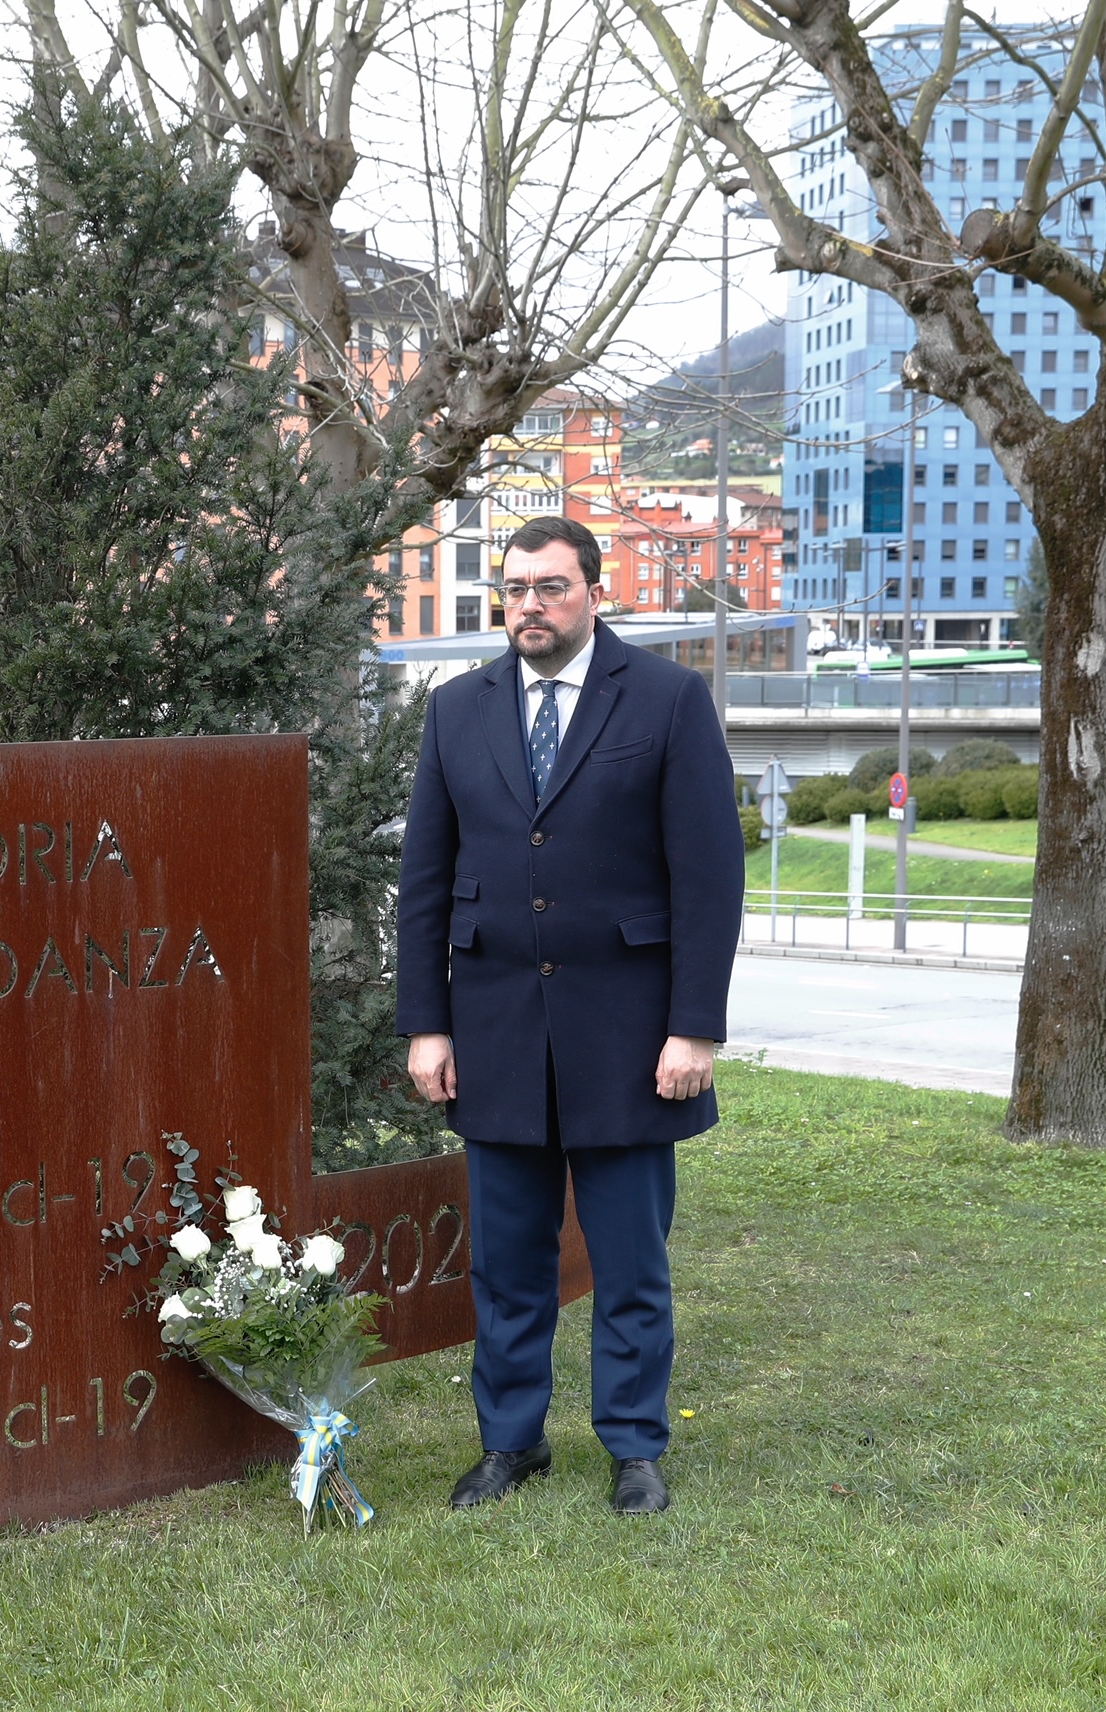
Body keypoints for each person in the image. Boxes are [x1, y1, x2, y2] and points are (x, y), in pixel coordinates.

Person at [395, 514, 743, 1515]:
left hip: (629, 1035)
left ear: (595, 591)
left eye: (548, 586)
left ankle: (633, 1444)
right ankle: (509, 1442)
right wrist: (428, 1021)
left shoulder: (668, 700)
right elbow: (423, 880)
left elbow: (706, 880)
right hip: (494, 1028)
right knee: (506, 1263)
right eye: (513, 589)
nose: (528, 605)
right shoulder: (455, 709)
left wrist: (694, 1027)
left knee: (629, 1260)